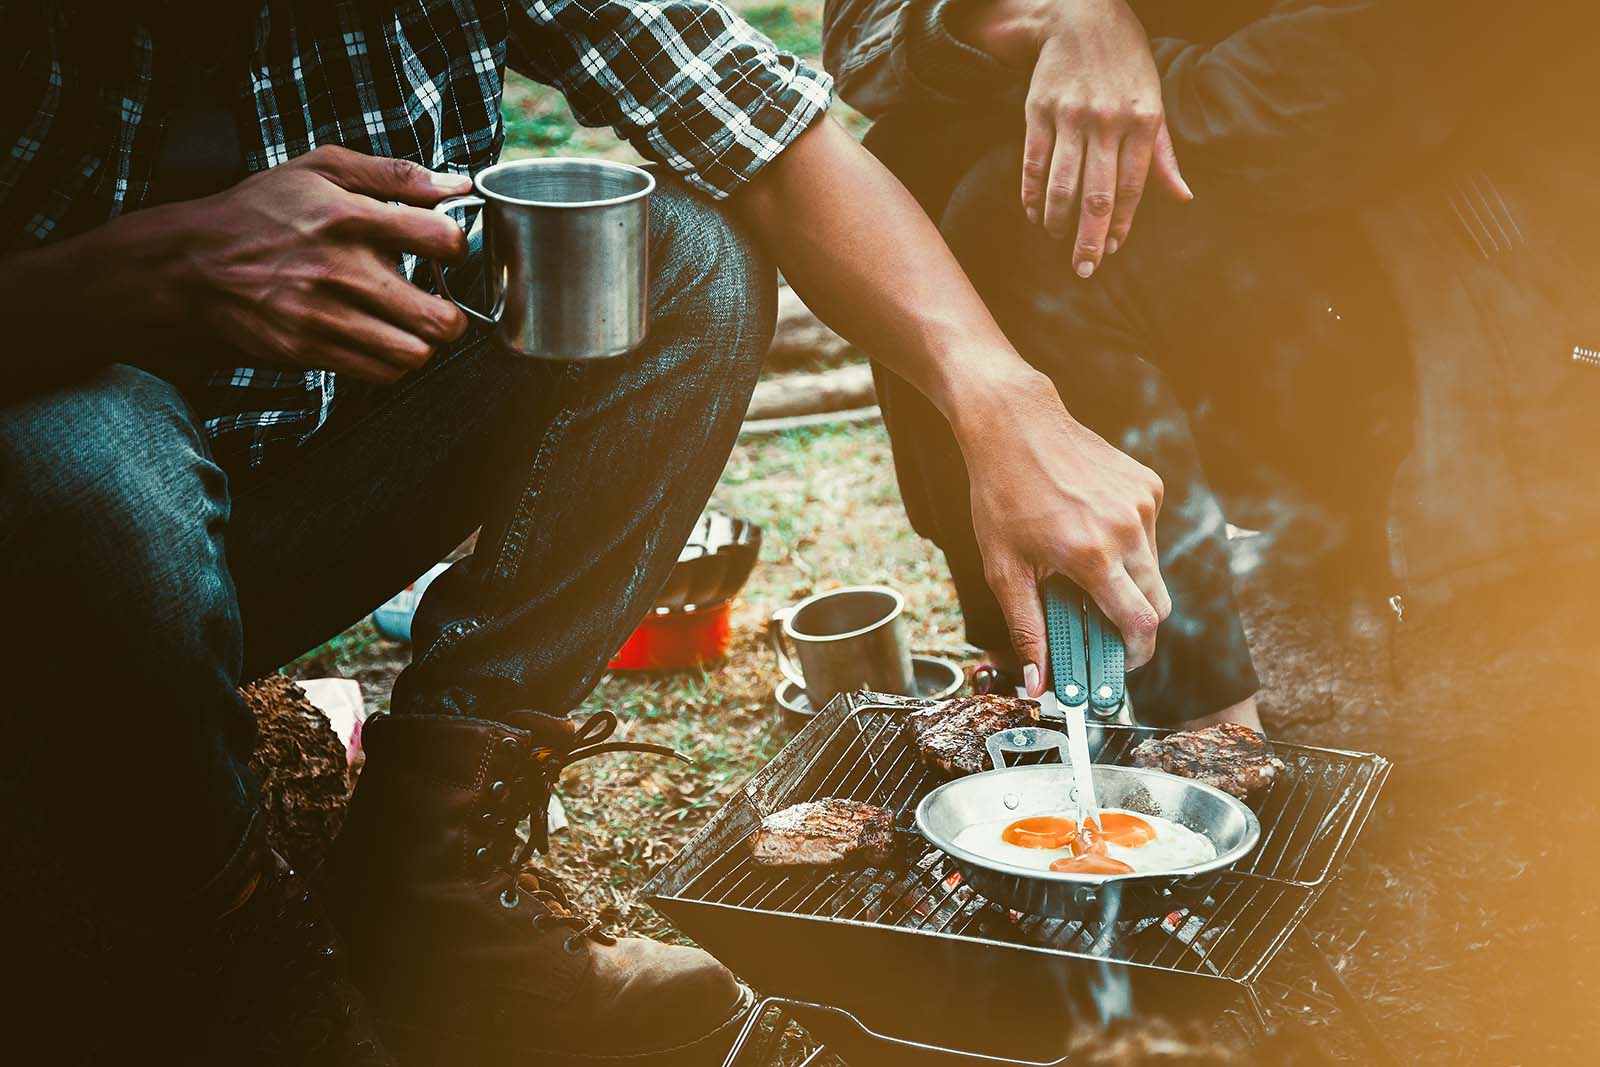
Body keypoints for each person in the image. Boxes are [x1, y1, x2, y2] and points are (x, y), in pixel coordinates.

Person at [0, 0, 1183, 1063]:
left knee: (682, 263)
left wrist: (1003, 402)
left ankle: (430, 885)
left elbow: (764, 130)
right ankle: (226, 960)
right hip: (49, 559)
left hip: (280, 521)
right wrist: (138, 277)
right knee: (87, 452)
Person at [822, 0, 1600, 730]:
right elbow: (860, 27)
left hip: (1444, 257)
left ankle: (1211, 730)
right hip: (1238, 216)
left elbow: (1402, 61)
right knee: (905, 168)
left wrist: (1112, 90)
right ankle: (1030, 659)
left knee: (1039, 208)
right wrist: (1062, 19)